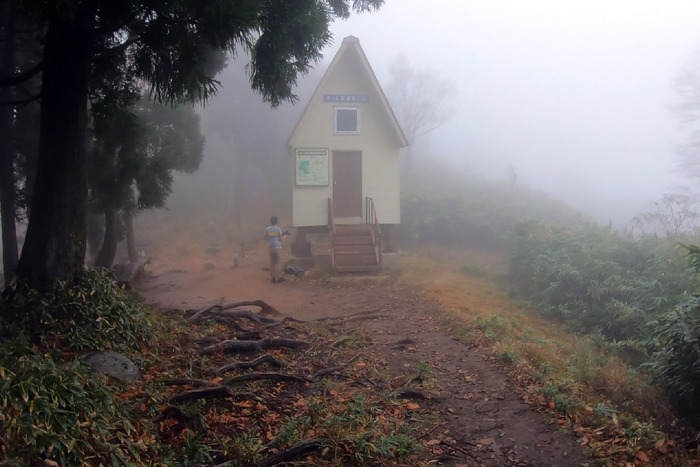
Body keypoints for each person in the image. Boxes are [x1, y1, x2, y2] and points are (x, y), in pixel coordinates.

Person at [264, 216, 287, 283]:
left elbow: (265, 237)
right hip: (277, 248)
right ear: (277, 221)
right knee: (277, 264)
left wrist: (270, 240)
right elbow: (281, 239)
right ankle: (278, 278)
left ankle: (273, 278)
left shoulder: (267, 229)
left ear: (271, 221)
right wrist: (286, 236)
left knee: (272, 264)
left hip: (271, 248)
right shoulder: (278, 229)